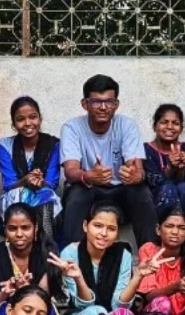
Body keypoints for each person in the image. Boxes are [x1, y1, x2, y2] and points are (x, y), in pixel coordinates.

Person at [60, 74, 158, 246]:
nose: (103, 107)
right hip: (90, 190)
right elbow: (70, 171)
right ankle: (71, 259)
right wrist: (89, 176)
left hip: (121, 191)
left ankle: (149, 256)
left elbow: (136, 169)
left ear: (116, 105)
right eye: (97, 102)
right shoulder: (72, 127)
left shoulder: (126, 125)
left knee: (141, 193)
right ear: (85, 104)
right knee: (76, 195)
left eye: (109, 102)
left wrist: (136, 175)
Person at [56, 203, 143, 315]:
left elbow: (119, 305)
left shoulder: (123, 254)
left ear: (117, 233)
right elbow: (81, 305)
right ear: (85, 226)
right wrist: (79, 279)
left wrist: (138, 277)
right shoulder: (70, 253)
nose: (103, 233)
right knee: (94, 312)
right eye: (98, 226)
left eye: (111, 229)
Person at [0, 203, 59, 315]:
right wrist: (7, 292)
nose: (19, 234)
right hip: (5, 309)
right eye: (12, 228)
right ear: (5, 230)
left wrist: (28, 290)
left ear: (35, 229)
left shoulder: (46, 252)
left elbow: (45, 296)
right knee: (6, 312)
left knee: (47, 314)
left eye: (25, 228)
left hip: (39, 308)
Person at [0, 96, 64, 233]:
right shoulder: (5, 145)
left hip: (43, 194)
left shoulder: (54, 144)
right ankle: (20, 236)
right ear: (13, 124)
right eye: (20, 119)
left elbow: (52, 182)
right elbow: (9, 184)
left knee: (46, 194)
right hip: (15, 197)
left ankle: (46, 240)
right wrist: (26, 180)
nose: (28, 123)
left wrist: (41, 183)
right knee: (19, 193)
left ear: (40, 119)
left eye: (33, 117)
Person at [143, 104, 185, 227]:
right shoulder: (146, 150)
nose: (170, 127)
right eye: (164, 122)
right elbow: (154, 182)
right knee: (168, 188)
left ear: (181, 129)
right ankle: (162, 233)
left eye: (175, 123)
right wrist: (170, 168)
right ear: (154, 126)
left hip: (182, 195)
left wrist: (181, 168)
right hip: (158, 198)